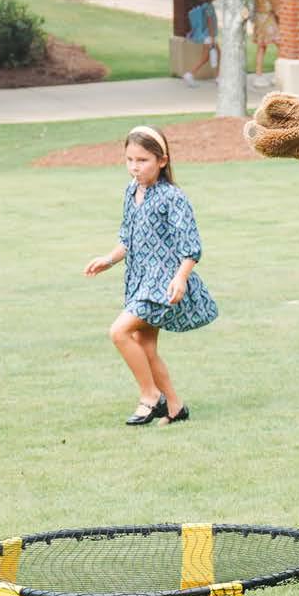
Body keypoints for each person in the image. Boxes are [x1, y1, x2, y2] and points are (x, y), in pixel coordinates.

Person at [83, 124, 218, 425]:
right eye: (129, 159)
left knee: (119, 332)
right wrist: (108, 260)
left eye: (143, 160)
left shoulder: (173, 197)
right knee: (144, 346)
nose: (135, 167)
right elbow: (127, 239)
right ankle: (175, 407)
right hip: (139, 279)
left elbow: (191, 247)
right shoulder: (131, 191)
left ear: (162, 161)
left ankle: (150, 396)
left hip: (162, 283)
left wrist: (180, 278)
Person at [250, 0, 280, 87]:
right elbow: (277, 7)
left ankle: (258, 75)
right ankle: (278, 74)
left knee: (261, 47)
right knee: (282, 45)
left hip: (259, 19)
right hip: (268, 20)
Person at [182, 0, 220, 85]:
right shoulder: (209, 7)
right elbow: (210, 23)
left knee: (207, 57)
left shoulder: (205, 6)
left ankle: (190, 74)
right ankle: (217, 78)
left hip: (208, 36)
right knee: (214, 56)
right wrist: (212, 38)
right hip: (209, 36)